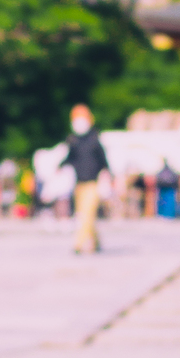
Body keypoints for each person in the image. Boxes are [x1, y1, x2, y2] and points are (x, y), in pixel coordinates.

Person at [62, 105, 112, 254]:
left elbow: (104, 161)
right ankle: (96, 241)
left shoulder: (94, 139)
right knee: (85, 214)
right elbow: (69, 158)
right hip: (79, 184)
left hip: (93, 183)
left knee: (86, 214)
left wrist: (108, 176)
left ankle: (78, 243)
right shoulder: (73, 140)